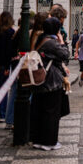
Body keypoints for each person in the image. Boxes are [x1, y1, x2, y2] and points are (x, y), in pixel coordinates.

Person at [29, 16, 70, 150]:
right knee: (51, 112)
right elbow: (65, 55)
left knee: (39, 110)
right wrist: (62, 41)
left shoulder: (39, 39)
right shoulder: (52, 42)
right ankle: (49, 142)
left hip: (39, 79)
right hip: (50, 81)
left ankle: (38, 139)